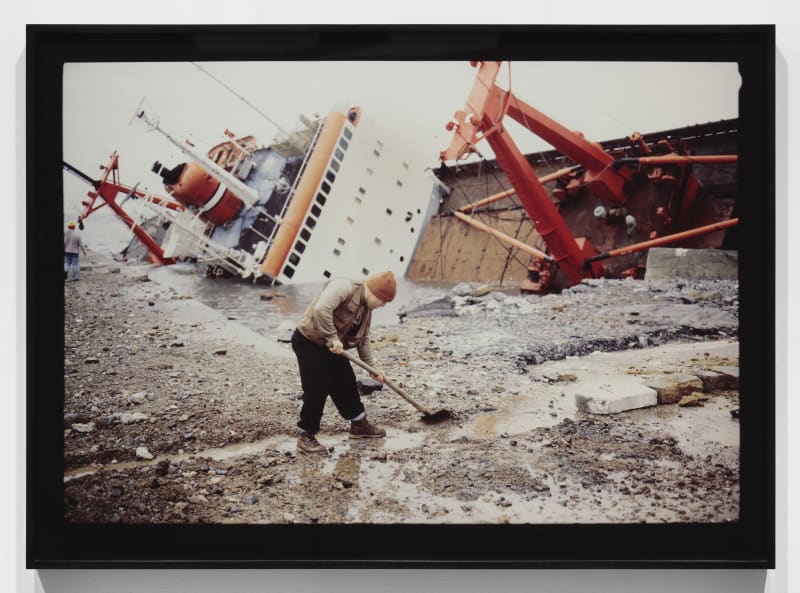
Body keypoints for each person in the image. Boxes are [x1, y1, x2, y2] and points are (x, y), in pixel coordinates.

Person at [291, 270, 397, 455]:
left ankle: (358, 424)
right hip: (309, 341)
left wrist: (372, 368)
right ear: (374, 293)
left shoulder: (366, 308)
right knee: (318, 386)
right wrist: (332, 338)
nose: (383, 306)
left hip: (332, 347)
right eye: (383, 301)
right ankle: (305, 435)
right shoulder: (345, 286)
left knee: (346, 381)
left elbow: (363, 339)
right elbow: (321, 309)